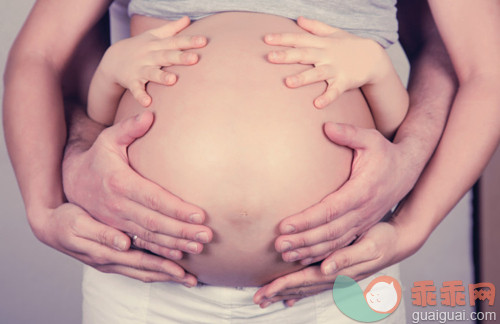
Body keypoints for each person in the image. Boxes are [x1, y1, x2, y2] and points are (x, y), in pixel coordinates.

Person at [2, 0, 498, 321]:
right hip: (145, 281)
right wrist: (44, 208)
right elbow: (40, 56)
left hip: (340, 285)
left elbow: (484, 69)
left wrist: (413, 226)